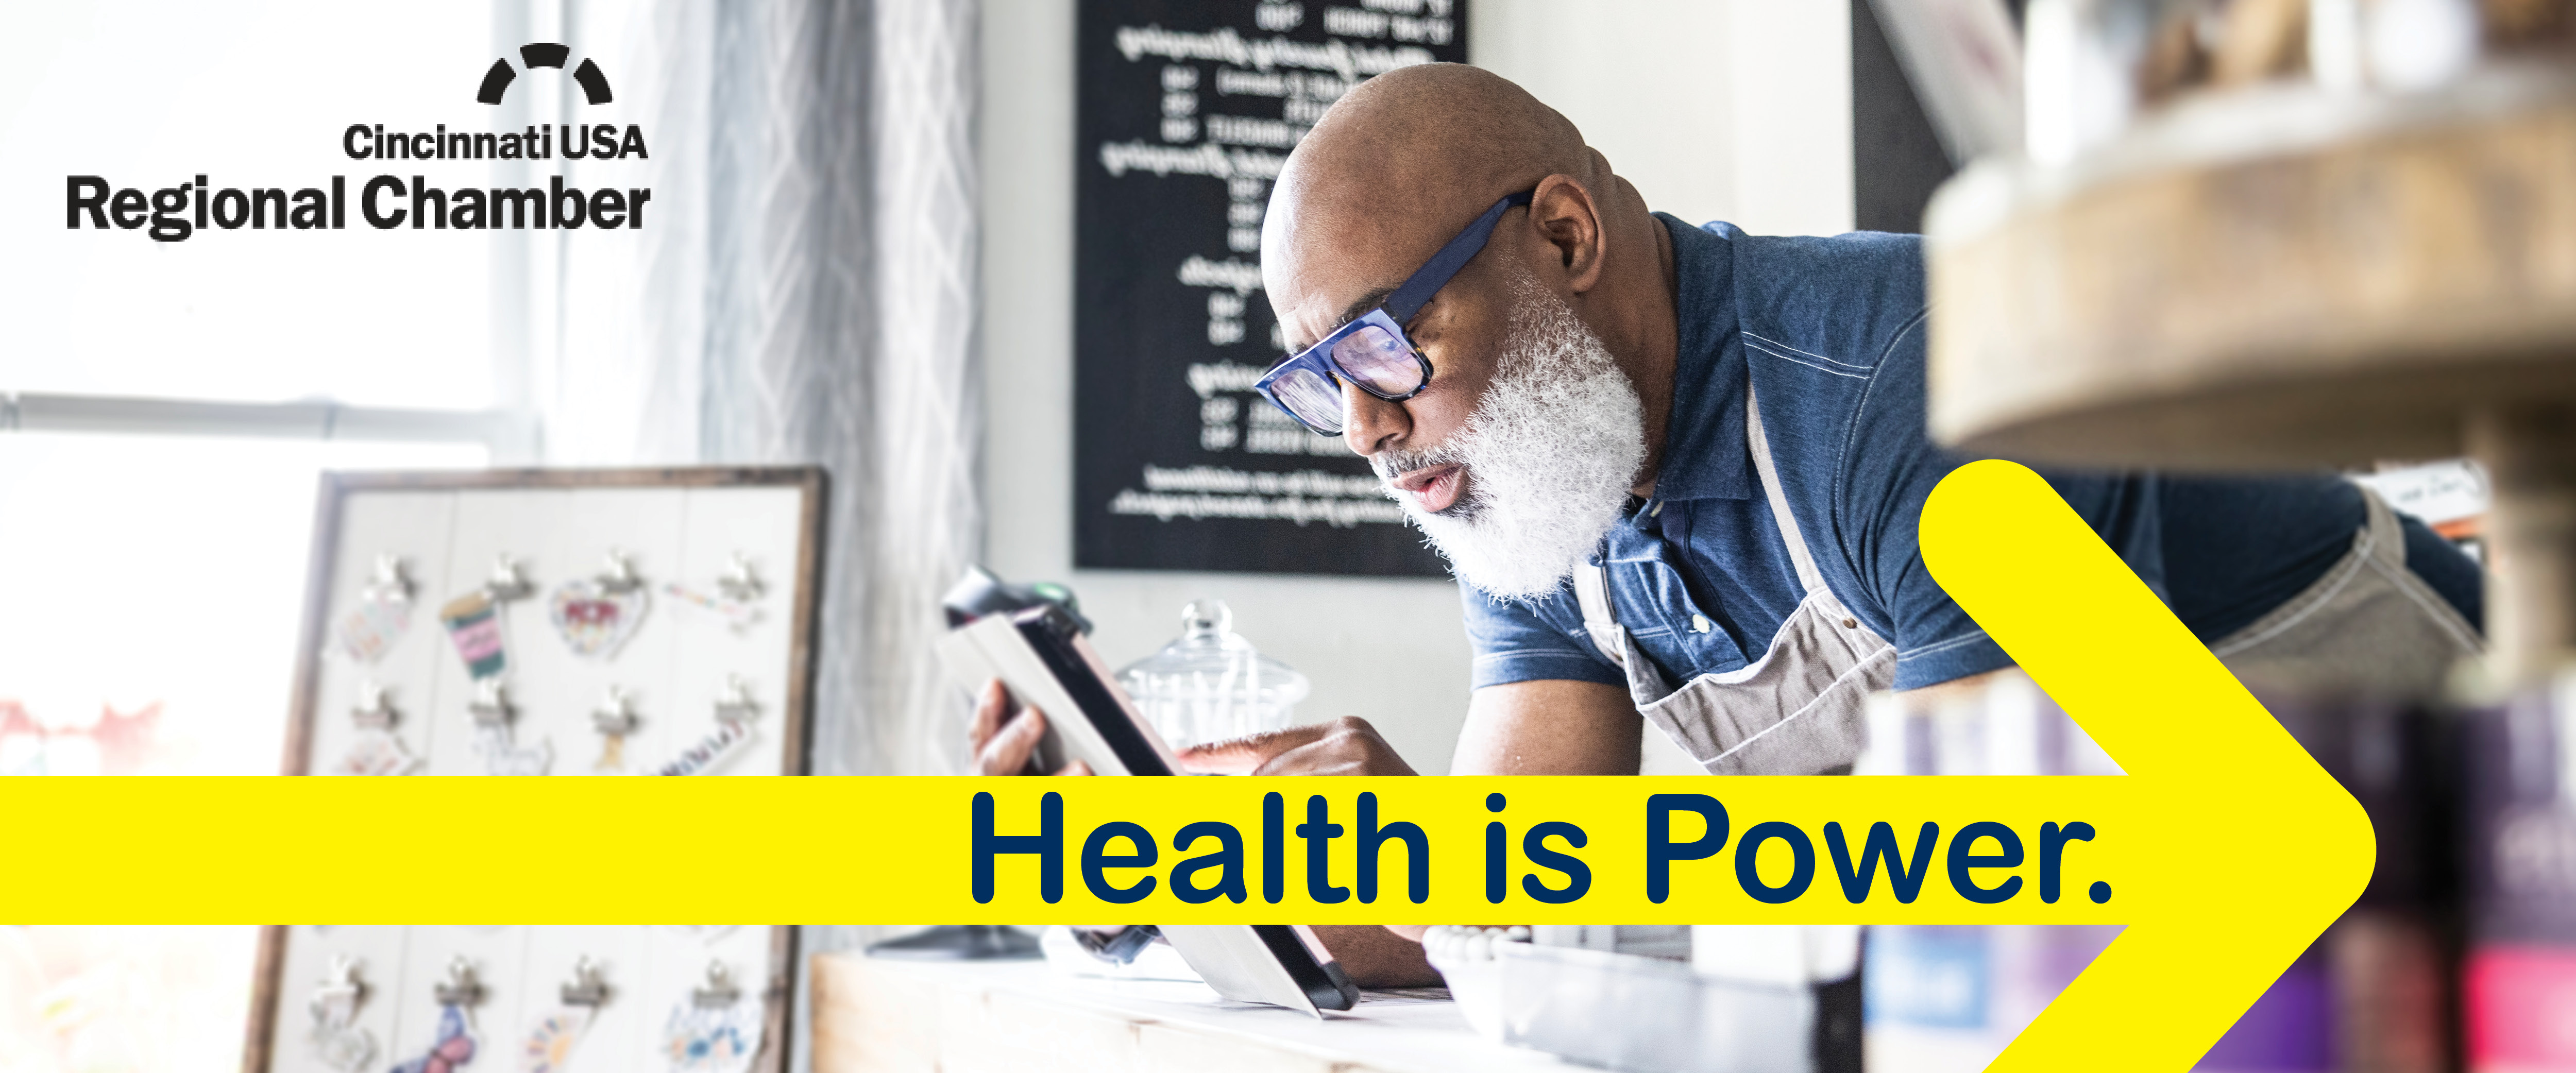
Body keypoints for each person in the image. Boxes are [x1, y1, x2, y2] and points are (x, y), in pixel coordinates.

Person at [970, 62, 2485, 981]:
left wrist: (1484, 864)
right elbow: (1503, 919)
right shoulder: (1546, 487)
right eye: (1320, 381)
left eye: (1381, 345)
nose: (1367, 429)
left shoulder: (1907, 381)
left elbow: (1981, 897)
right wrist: (1171, 868)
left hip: (2467, 842)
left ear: (1561, 235)